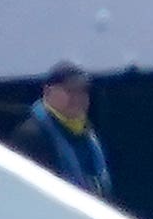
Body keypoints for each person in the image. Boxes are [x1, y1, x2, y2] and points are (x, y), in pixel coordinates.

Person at [9, 63, 113, 201]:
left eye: (83, 91)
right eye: (70, 91)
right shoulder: (30, 135)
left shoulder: (88, 134)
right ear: (48, 92)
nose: (77, 98)